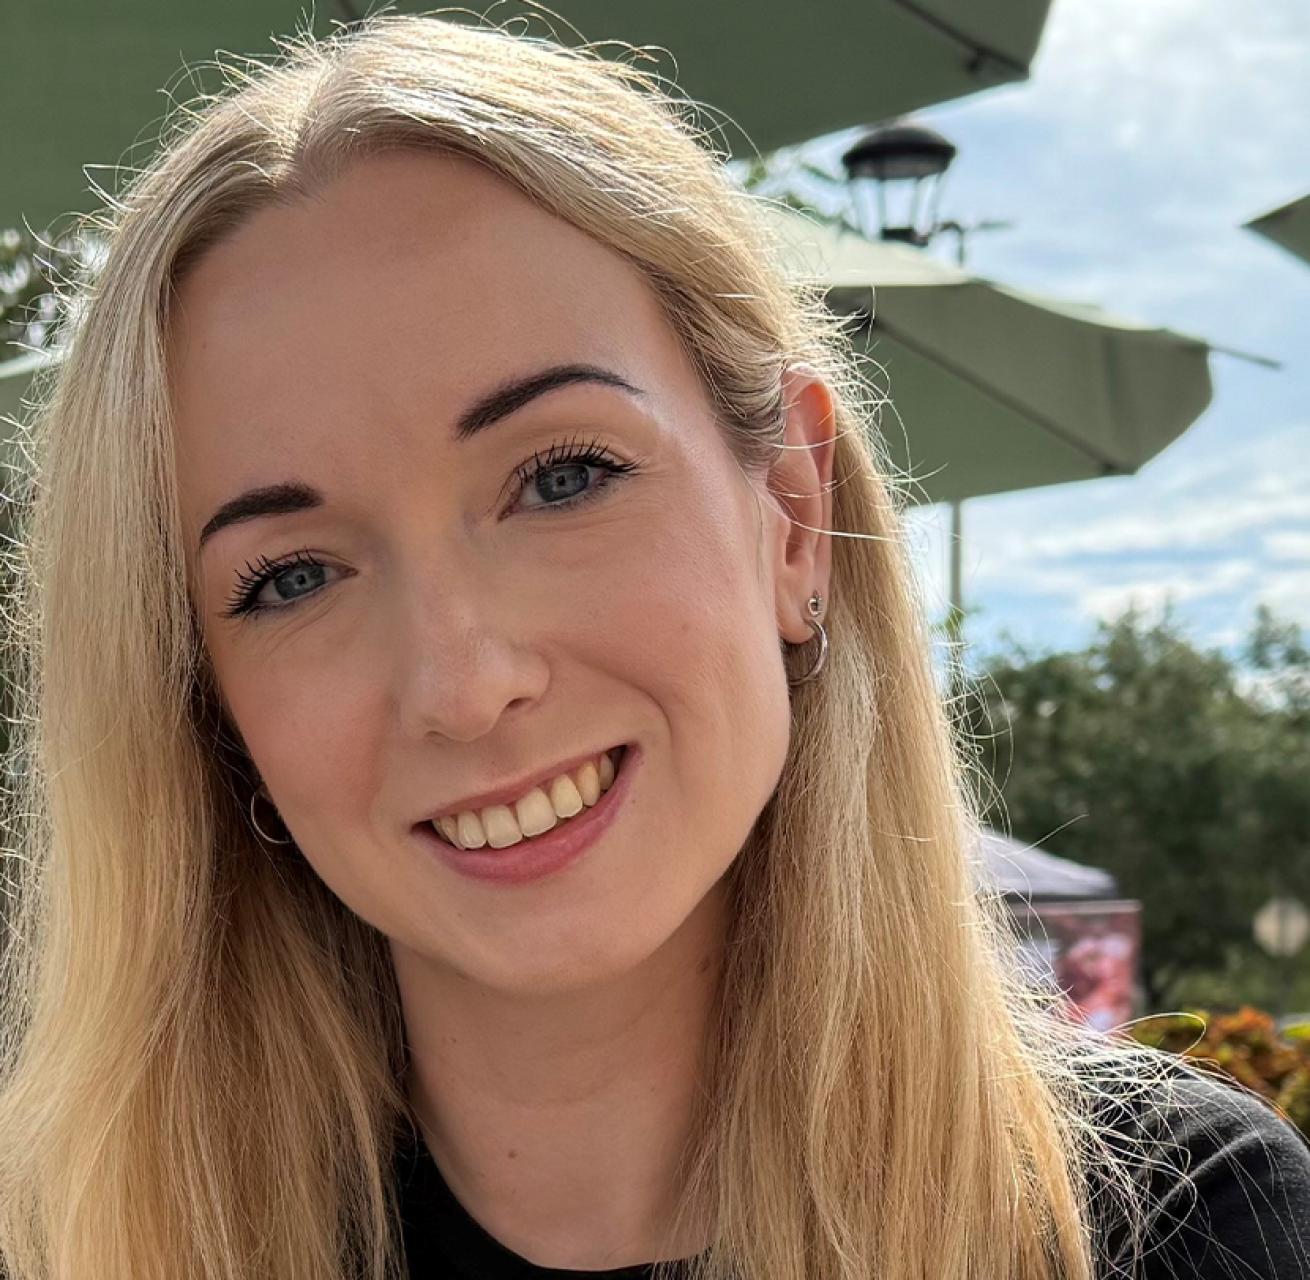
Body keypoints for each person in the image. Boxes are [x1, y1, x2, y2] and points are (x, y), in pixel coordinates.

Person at [0, 13, 1306, 1280]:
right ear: (204, 706)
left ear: (792, 511)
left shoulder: (1179, 1228)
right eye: (289, 576)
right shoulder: (77, 1239)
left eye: (562, 477)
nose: (463, 682)